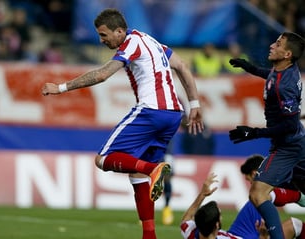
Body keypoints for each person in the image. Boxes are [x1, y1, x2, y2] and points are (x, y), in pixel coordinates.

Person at [42, 8, 204, 239]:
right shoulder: (151, 41)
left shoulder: (130, 43)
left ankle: (154, 169)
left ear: (120, 31)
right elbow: (182, 67)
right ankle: (149, 235)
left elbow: (101, 75)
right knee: (136, 174)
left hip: (151, 111)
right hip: (174, 115)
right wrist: (194, 104)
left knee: (103, 158)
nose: (101, 40)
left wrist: (60, 88)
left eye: (104, 35)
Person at [228, 31, 305, 239]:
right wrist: (249, 67)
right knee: (271, 192)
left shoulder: (285, 86)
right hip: (293, 143)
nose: (272, 45)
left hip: (288, 147)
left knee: (258, 193)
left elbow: (289, 124)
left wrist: (254, 133)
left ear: (287, 54)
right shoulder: (281, 70)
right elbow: (270, 76)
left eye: (278, 44)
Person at [181, 173, 305, 239]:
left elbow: (186, 219)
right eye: (220, 215)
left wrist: (202, 194)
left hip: (237, 231)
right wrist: (263, 235)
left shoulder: (192, 233)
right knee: (294, 225)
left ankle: (300, 197)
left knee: (259, 196)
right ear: (217, 225)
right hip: (246, 236)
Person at [229, 154, 305, 239]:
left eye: (249, 179)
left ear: (254, 174)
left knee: (295, 225)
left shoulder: (257, 199)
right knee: (295, 225)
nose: (250, 183)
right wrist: (299, 198)